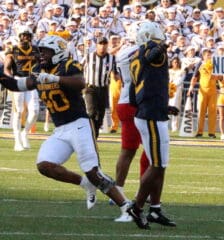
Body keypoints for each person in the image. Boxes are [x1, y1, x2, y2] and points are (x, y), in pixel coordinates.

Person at [0, 35, 139, 227]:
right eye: (40, 51)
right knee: (45, 165)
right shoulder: (38, 70)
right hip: (61, 129)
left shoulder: (69, 66)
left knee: (93, 172)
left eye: (45, 52)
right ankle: (84, 184)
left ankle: (127, 207)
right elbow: (18, 85)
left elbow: (80, 83)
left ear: (57, 52)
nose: (41, 55)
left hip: (79, 124)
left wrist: (54, 78)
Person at [128, 22, 177, 229]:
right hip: (151, 117)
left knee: (159, 165)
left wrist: (161, 105)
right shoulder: (152, 53)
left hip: (149, 113)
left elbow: (133, 95)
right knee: (157, 165)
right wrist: (161, 48)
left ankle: (155, 209)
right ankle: (137, 207)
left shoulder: (135, 57)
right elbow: (152, 57)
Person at [111, 45, 150, 222]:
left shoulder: (124, 51)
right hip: (135, 103)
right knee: (150, 150)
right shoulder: (136, 52)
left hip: (126, 101)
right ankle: (144, 191)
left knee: (128, 150)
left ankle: (118, 189)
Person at [4, 26, 40, 151]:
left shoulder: (35, 49)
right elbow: (7, 67)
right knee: (18, 111)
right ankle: (17, 140)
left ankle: (25, 133)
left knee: (35, 111)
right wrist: (10, 80)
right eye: (24, 35)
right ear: (19, 36)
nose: (26, 38)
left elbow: (40, 65)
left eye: (28, 35)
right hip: (18, 80)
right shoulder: (13, 49)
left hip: (30, 81)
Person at [83, 36, 116, 138]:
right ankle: (91, 135)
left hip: (103, 88)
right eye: (100, 44)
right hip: (90, 87)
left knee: (101, 114)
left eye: (104, 44)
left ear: (107, 45)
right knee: (91, 112)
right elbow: (79, 68)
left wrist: (118, 77)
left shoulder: (112, 58)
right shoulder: (89, 56)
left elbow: (116, 73)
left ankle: (95, 132)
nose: (102, 46)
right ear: (96, 45)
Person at [187, 48, 218, 138]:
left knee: (212, 111)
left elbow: (220, 77)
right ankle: (200, 131)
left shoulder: (214, 64)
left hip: (213, 91)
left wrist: (215, 76)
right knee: (201, 111)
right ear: (203, 56)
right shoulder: (199, 64)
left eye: (210, 55)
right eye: (207, 55)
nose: (209, 56)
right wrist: (191, 87)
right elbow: (194, 77)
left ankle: (212, 132)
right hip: (203, 91)